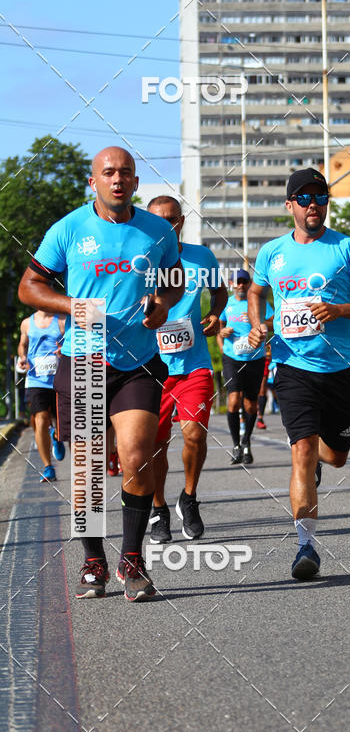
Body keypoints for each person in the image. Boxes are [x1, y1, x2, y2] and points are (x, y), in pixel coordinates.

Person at [18, 146, 183, 599]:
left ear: (135, 182)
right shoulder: (68, 229)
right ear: (93, 182)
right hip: (84, 360)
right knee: (89, 469)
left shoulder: (157, 231)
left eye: (125, 173)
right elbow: (29, 287)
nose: (117, 179)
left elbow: (175, 281)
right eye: (108, 173)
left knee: (136, 456)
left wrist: (161, 305)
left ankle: (132, 561)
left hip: (138, 362)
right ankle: (94, 562)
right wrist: (73, 306)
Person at [247, 168, 350, 579]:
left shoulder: (348, 248)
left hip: (340, 367)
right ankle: (305, 546)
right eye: (305, 198)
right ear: (289, 205)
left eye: (320, 198)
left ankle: (320, 464)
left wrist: (339, 309)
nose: (313, 205)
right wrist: (257, 324)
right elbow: (256, 290)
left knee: (336, 457)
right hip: (292, 365)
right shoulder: (272, 252)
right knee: (302, 451)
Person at [146, 196, 227, 543]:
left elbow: (219, 292)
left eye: (172, 219)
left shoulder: (201, 257)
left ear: (180, 222)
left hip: (194, 364)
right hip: (152, 368)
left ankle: (189, 498)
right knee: (155, 445)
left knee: (194, 434)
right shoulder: (138, 262)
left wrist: (216, 313)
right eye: (158, 220)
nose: (166, 226)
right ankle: (158, 509)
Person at [217, 268, 273, 465]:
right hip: (232, 358)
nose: (241, 285)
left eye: (244, 281)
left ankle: (246, 440)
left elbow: (273, 322)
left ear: (249, 284)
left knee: (250, 405)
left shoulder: (258, 302)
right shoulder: (226, 303)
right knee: (233, 400)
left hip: (255, 359)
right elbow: (218, 328)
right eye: (237, 281)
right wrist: (222, 335)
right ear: (232, 284)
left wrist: (262, 325)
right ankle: (236, 445)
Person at [17, 310, 66, 481]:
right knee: (41, 419)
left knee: (62, 422)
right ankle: (48, 467)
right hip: (36, 380)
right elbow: (22, 344)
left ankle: (57, 436)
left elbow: (73, 342)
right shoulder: (27, 323)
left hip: (60, 379)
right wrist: (23, 357)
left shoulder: (62, 321)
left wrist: (64, 350)